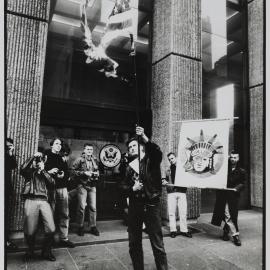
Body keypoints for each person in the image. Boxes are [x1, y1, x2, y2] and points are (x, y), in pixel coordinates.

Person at [120, 126, 168, 270]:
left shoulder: (151, 161)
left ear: (142, 148)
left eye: (134, 146)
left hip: (151, 205)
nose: (131, 148)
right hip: (135, 206)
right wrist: (131, 188)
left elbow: (156, 152)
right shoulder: (128, 167)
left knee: (157, 243)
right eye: (130, 147)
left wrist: (145, 137)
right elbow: (121, 187)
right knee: (134, 243)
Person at [20, 152, 56, 261]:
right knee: (30, 230)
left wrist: (43, 170)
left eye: (40, 160)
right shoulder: (29, 172)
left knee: (51, 228)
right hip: (31, 200)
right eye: (36, 161)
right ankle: (30, 251)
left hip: (44, 201)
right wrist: (33, 157)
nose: (37, 162)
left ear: (43, 162)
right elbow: (22, 168)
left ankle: (46, 252)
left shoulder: (46, 173)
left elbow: (52, 183)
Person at [211, 150, 247, 246]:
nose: (233, 159)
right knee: (225, 214)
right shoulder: (224, 169)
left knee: (229, 214)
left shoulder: (241, 171)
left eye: (235, 157)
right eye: (231, 157)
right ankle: (227, 233)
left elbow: (243, 183)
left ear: (238, 159)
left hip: (232, 196)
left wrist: (237, 188)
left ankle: (234, 235)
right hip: (222, 195)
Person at [45, 138, 75, 248]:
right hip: (51, 189)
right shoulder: (46, 156)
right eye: (56, 144)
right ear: (52, 145)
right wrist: (50, 172)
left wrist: (63, 175)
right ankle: (50, 239)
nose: (59, 146)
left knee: (65, 214)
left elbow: (67, 174)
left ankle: (64, 238)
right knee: (50, 214)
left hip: (62, 188)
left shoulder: (61, 158)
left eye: (60, 144)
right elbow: (41, 172)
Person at [71, 143, 100, 236]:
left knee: (93, 207)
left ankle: (93, 227)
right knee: (82, 207)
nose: (89, 151)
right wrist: (84, 173)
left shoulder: (95, 160)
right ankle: (80, 226)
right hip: (82, 185)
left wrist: (97, 174)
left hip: (92, 185)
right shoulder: (79, 160)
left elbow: (97, 170)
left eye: (91, 150)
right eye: (88, 149)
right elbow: (72, 171)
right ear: (84, 150)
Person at [163, 152, 192, 238]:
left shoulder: (182, 168)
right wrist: (164, 182)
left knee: (183, 212)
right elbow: (164, 179)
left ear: (176, 158)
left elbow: (189, 176)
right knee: (171, 213)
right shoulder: (168, 169)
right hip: (171, 192)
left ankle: (184, 230)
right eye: (169, 159)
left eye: (172, 158)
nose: (171, 160)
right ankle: (173, 230)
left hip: (182, 192)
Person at [5, 138, 18, 250]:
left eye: (10, 146)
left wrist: (10, 153)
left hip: (6, 189)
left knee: (5, 216)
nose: (9, 147)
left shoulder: (8, 156)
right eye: (7, 146)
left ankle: (6, 241)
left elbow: (14, 166)